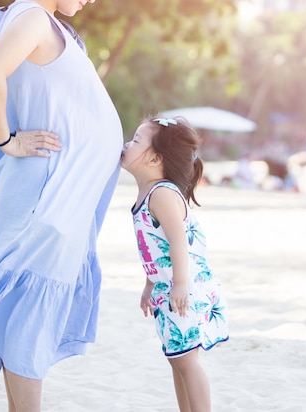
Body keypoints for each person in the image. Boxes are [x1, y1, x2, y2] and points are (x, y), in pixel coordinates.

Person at [0, 1, 122, 411]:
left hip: (57, 199)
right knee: (27, 318)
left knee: (24, 320)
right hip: (45, 197)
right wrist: (8, 141)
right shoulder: (34, 17)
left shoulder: (47, 24)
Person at [121, 116, 229, 412]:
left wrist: (180, 283)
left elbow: (179, 241)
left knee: (187, 361)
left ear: (155, 158)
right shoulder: (149, 192)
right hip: (168, 287)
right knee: (177, 358)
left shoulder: (162, 193)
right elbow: (155, 248)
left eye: (136, 140)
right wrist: (149, 283)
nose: (127, 144)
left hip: (185, 287)